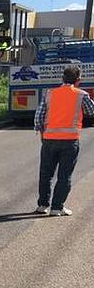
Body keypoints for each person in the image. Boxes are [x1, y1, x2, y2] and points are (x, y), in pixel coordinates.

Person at [34, 64, 94, 216]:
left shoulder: (50, 93)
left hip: (49, 140)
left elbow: (38, 116)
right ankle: (57, 207)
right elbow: (91, 111)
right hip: (70, 141)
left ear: (63, 78)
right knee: (64, 176)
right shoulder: (81, 95)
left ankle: (42, 205)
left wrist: (42, 132)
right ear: (78, 80)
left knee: (45, 174)